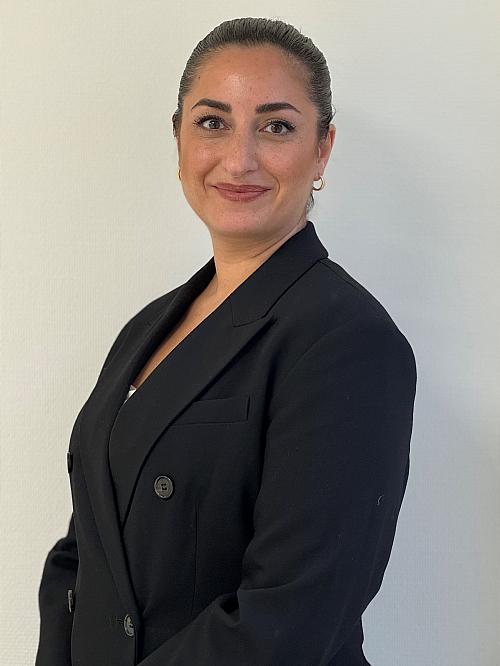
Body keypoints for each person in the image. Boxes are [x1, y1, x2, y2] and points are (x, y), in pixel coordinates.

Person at [35, 17, 417, 666]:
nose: (239, 159)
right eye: (213, 122)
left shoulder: (348, 342)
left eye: (277, 127)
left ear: (322, 149)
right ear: (179, 139)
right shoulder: (146, 327)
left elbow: (289, 619)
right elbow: (84, 552)